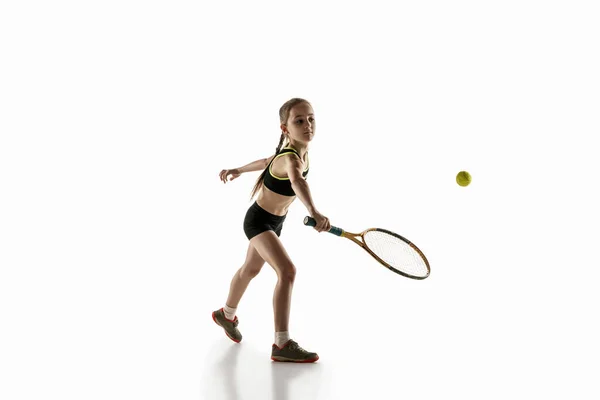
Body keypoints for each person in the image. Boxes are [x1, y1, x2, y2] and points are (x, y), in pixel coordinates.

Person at [212, 98, 331, 363]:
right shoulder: (291, 158)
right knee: (287, 271)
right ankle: (282, 343)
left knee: (250, 270)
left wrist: (238, 169)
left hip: (274, 223)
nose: (307, 125)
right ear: (285, 128)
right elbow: (297, 181)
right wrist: (314, 211)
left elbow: (268, 160)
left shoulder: (299, 151)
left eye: (311, 118)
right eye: (299, 121)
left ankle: (226, 314)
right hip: (258, 222)